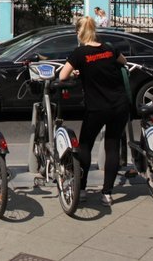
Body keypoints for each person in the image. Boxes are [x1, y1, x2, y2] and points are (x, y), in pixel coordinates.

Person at [59, 16, 129, 206]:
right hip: (119, 105)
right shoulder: (109, 48)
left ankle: (81, 190)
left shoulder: (80, 53)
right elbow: (123, 61)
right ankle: (107, 193)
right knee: (112, 146)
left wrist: (77, 71)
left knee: (85, 146)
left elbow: (62, 75)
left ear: (79, 33)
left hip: (97, 107)